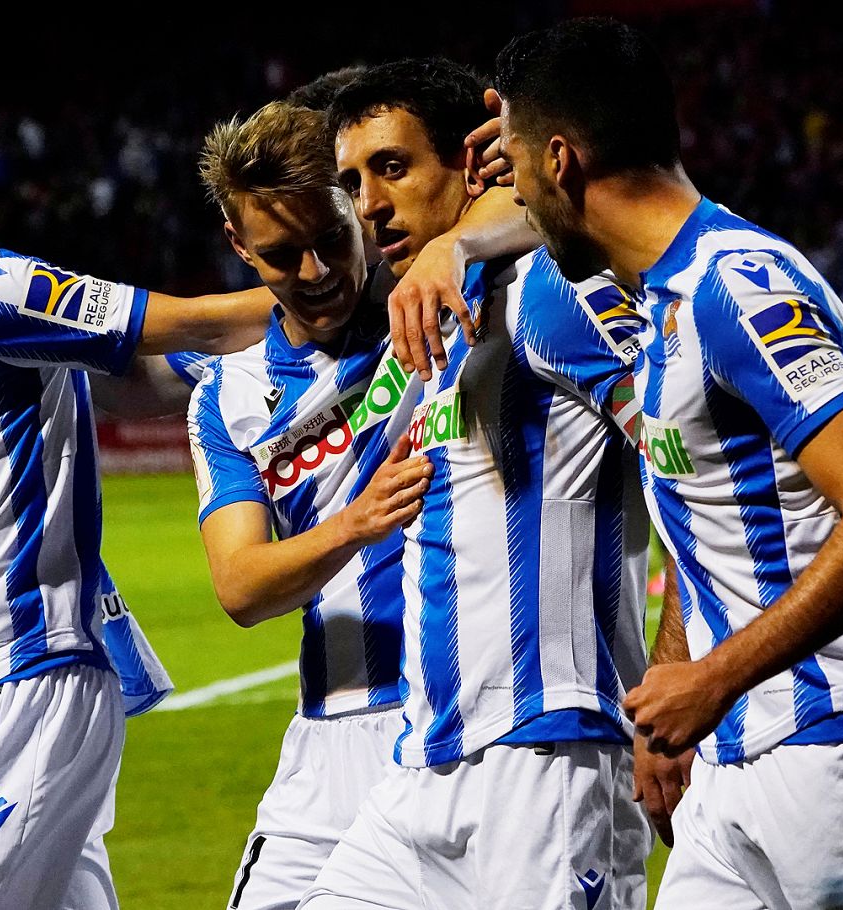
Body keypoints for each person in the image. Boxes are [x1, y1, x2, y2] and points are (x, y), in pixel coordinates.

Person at [494, 19, 843, 908]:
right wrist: (671, 687)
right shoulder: (659, 305)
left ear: (563, 160)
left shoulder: (740, 286)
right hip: (736, 778)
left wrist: (716, 678)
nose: (516, 203)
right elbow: (712, 522)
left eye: (517, 168)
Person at [0, 74, 271, 910]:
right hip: (12, 688)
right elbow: (145, 380)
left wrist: (348, 300)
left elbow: (191, 322)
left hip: (20, 682)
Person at [296, 57, 650, 909]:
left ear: (475, 160)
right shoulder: (426, 333)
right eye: (351, 181)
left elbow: (683, 451)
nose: (370, 203)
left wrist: (681, 666)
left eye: (393, 166)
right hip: (424, 768)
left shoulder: (555, 291)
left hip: (550, 755)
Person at [189, 98, 535, 910]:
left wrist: (453, 239)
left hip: (454, 725)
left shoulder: (441, 296)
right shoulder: (231, 396)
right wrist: (356, 520)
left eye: (329, 240)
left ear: (360, 209)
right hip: (323, 751)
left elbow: (541, 203)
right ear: (238, 247)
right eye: (280, 255)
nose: (315, 274)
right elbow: (240, 586)